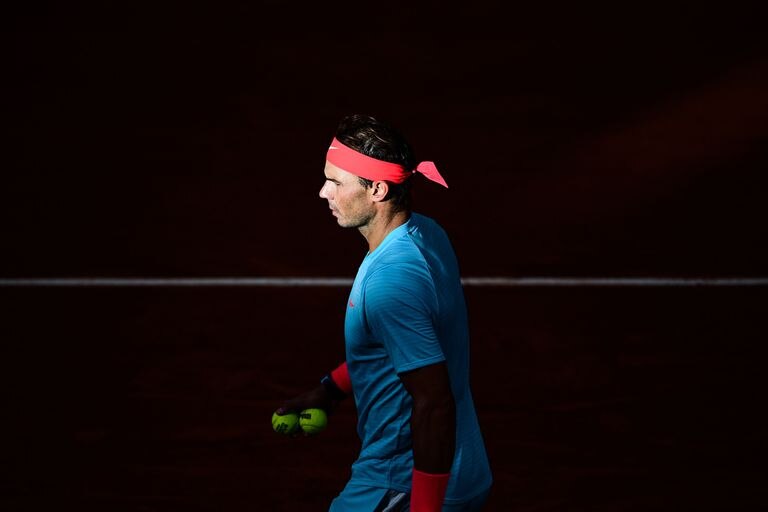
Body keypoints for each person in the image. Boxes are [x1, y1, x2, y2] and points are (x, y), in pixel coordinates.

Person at [276, 114, 492, 511]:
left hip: (401, 484)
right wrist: (330, 389)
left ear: (376, 189)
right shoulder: (427, 233)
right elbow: (401, 345)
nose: (323, 192)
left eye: (336, 182)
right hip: (457, 469)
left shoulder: (391, 282)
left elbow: (434, 403)